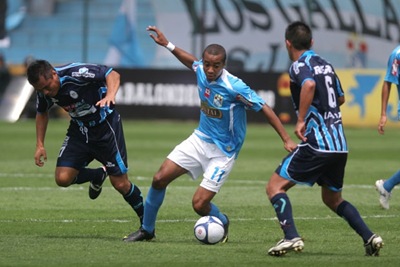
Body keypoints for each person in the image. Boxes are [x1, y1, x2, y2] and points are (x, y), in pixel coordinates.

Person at [122, 25, 298, 242]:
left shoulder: (235, 87)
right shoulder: (201, 71)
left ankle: (221, 220)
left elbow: (264, 108)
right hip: (199, 140)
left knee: (199, 204)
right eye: (207, 65)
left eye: (216, 66)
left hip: (224, 152)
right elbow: (190, 61)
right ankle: (147, 230)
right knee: (159, 179)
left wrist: (286, 138)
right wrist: (167, 44)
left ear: (223, 65)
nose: (210, 70)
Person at [265, 21, 383, 257]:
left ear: (288, 43)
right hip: (339, 145)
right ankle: (370, 237)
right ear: (312, 42)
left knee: (274, 187)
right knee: (332, 198)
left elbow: (308, 84)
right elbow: (340, 98)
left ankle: (291, 237)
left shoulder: (299, 66)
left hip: (318, 143)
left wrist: (301, 119)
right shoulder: (326, 65)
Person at [26, 60, 144, 238]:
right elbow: (42, 113)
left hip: (106, 128)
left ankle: (146, 226)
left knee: (120, 184)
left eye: (47, 86)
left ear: (53, 73)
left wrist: (110, 95)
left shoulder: (76, 73)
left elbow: (112, 74)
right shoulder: (44, 91)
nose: (46, 92)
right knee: (62, 178)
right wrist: (40, 145)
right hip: (80, 130)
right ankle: (97, 175)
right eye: (40, 90)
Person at [375, 45, 400, 210]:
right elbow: (388, 82)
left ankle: (387, 186)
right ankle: (387, 186)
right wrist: (383, 113)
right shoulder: (397, 54)